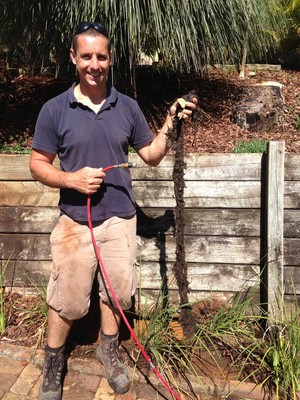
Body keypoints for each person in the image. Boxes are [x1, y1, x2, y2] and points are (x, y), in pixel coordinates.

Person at [30, 21, 197, 400]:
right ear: (74, 58)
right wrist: (71, 180)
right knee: (67, 300)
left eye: (101, 56)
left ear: (110, 59)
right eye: (86, 56)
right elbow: (38, 164)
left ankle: (110, 348)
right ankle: (53, 360)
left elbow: (151, 156)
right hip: (76, 222)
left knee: (117, 295)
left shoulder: (128, 107)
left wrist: (170, 123)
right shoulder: (55, 110)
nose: (94, 64)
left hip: (121, 219)